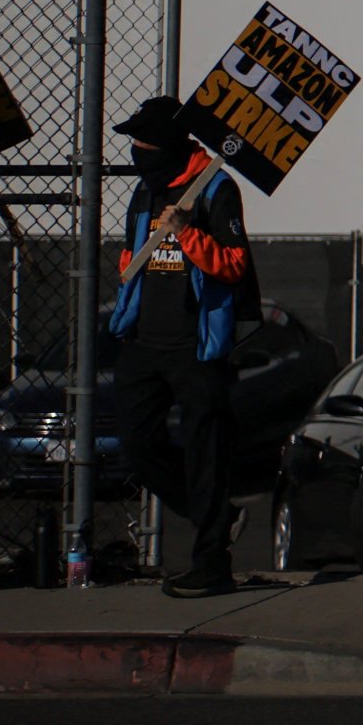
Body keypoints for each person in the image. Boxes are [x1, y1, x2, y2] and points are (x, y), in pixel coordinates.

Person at [104, 97, 255, 597]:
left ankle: (211, 565)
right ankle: (215, 514)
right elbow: (132, 251)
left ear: (168, 143)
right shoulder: (145, 193)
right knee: (136, 445)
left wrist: (188, 234)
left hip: (197, 345)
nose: (136, 150)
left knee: (206, 453)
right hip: (144, 340)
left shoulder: (215, 188)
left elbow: (233, 266)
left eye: (143, 141)